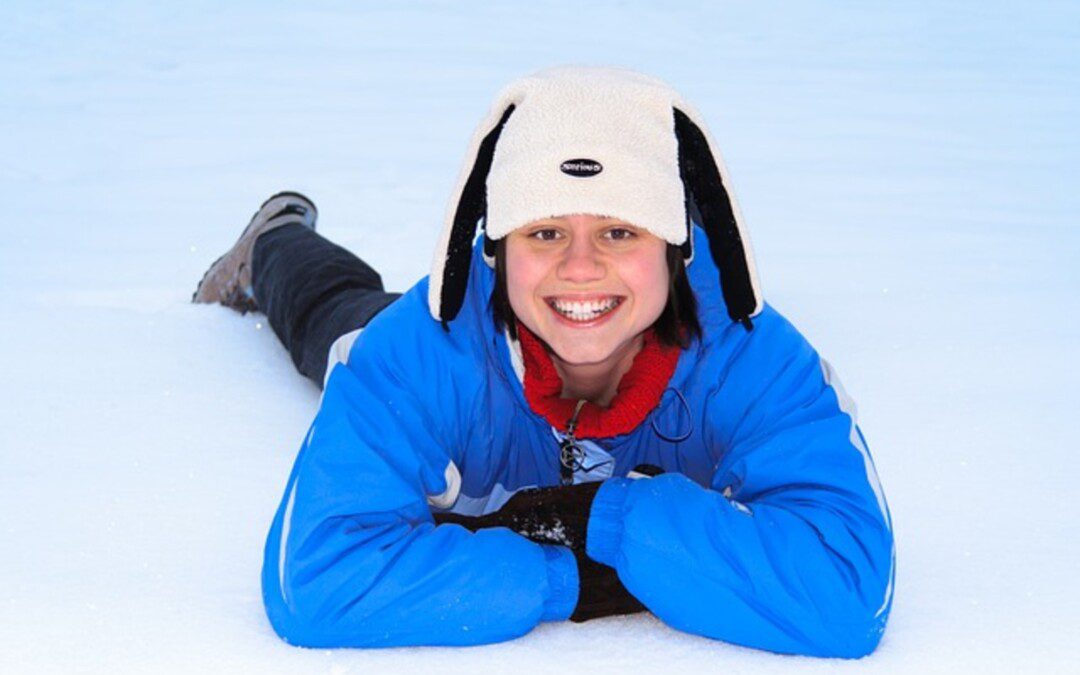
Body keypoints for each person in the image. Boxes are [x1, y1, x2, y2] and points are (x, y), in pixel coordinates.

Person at [193, 66, 894, 658]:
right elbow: (318, 583)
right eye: (546, 231)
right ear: (497, 248)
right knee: (337, 315)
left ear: (673, 248)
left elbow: (846, 590)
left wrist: (606, 524)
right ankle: (273, 244)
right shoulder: (417, 356)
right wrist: (565, 579)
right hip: (457, 337)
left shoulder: (750, 355)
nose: (580, 267)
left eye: (620, 231)